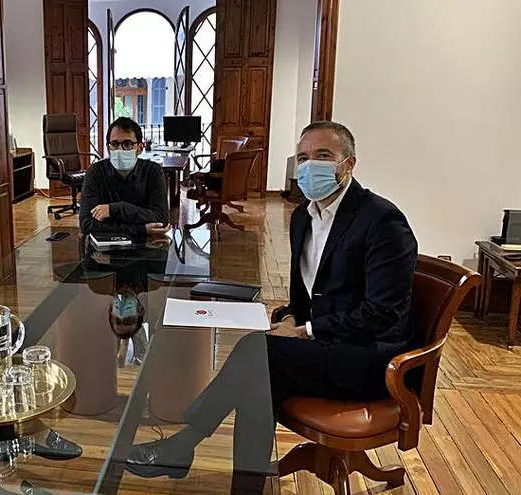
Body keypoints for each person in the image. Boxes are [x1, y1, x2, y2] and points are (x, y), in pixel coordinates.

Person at [124, 121, 419, 493]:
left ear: (349, 164)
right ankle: (235, 482)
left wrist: (304, 331)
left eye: (323, 156)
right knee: (257, 381)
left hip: (372, 358)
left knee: (257, 352)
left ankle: (184, 445)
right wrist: (293, 315)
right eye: (304, 158)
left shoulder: (382, 221)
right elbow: (305, 296)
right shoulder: (303, 217)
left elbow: (382, 313)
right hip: (328, 345)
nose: (310, 166)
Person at [79, 117, 170, 238]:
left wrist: (116, 209)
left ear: (140, 148)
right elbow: (86, 224)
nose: (120, 150)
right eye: (114, 144)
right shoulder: (95, 172)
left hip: (147, 246)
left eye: (127, 144)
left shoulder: (153, 171)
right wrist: (140, 229)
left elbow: (161, 219)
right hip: (105, 247)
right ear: (108, 148)